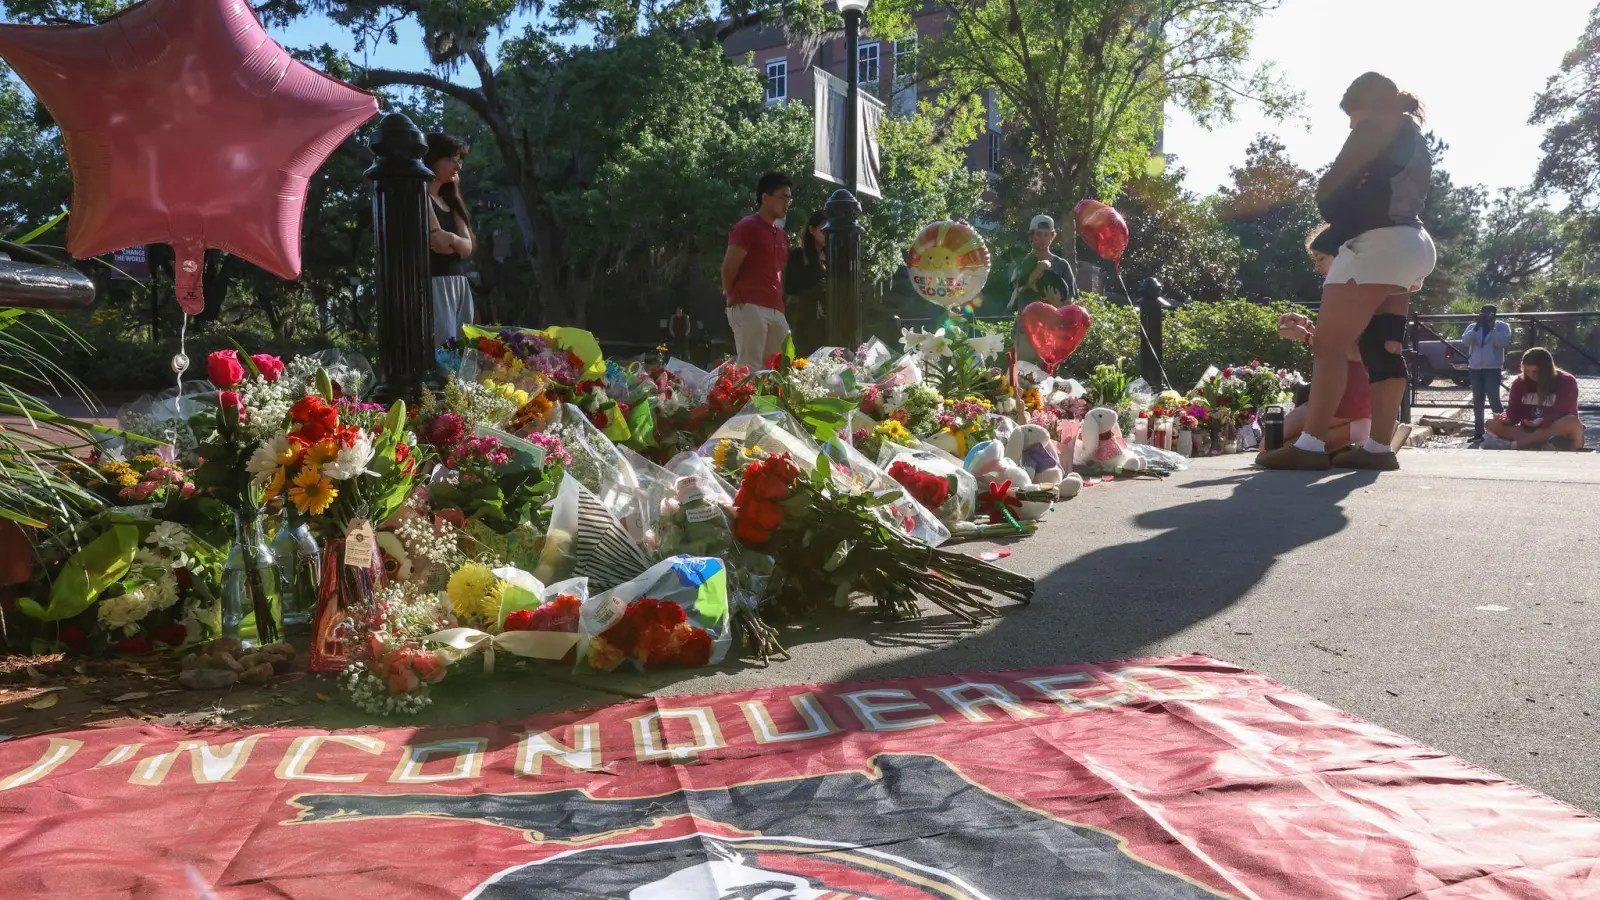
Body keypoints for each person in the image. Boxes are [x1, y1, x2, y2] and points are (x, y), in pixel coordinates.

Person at [1257, 73, 1436, 472]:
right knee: (1384, 348)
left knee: (1328, 345)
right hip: (1414, 243)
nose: (1351, 127)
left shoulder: (1376, 124)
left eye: (1352, 119)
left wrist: (1330, 208)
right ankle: (1377, 447)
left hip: (1377, 244)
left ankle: (1311, 443)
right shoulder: (1412, 133)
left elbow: (1334, 186)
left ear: (1365, 106)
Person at [722, 171, 793, 369]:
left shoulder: (783, 237)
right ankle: (746, 402)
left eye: (790, 198)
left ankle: (772, 402)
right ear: (765, 197)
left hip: (776, 308)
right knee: (749, 369)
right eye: (783, 197)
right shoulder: (747, 226)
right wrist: (733, 299)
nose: (787, 202)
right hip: (748, 305)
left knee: (781, 367)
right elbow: (728, 269)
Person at [424, 132, 476, 349]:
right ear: (434, 158)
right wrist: (455, 242)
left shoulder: (451, 203)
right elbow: (437, 242)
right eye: (452, 159)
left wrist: (452, 238)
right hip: (436, 284)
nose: (458, 167)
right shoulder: (422, 198)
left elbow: (467, 248)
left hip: (459, 284)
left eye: (460, 160)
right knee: (443, 349)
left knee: (464, 349)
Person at [1008, 214, 1079, 367]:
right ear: (1031, 236)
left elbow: (1070, 301)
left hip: (1051, 333)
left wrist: (1056, 303)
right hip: (1024, 330)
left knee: (1047, 381)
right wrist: (1038, 271)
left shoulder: (1062, 265)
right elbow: (1016, 288)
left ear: (1052, 236)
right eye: (1039, 234)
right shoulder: (1022, 262)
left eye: (1047, 235)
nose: (1043, 239)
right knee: (1022, 377)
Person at [1485, 347, 1585, 450]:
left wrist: (1541, 422)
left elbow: (1565, 412)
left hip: (1555, 431)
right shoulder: (1519, 383)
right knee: (1491, 424)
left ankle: (1516, 445)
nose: (1531, 375)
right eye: (1527, 371)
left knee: (1571, 422)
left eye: (1535, 371)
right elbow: (1514, 411)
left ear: (1547, 369)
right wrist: (1506, 419)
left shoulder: (1566, 381)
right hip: (1528, 431)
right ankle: (1543, 446)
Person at [1461, 304, 1512, 441]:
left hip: (1492, 368)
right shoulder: (1473, 327)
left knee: (1494, 399)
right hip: (1475, 368)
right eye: (1484, 314)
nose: (1486, 316)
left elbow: (1503, 343)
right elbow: (1465, 342)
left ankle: (1504, 430)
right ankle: (1478, 432)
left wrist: (1492, 327)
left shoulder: (1502, 326)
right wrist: (1477, 326)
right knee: (1478, 400)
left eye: (1489, 314)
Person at [783, 211, 828, 356]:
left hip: (826, 320)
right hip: (804, 317)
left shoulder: (832, 256)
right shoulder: (799, 254)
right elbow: (790, 286)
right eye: (823, 229)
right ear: (811, 229)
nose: (827, 234)